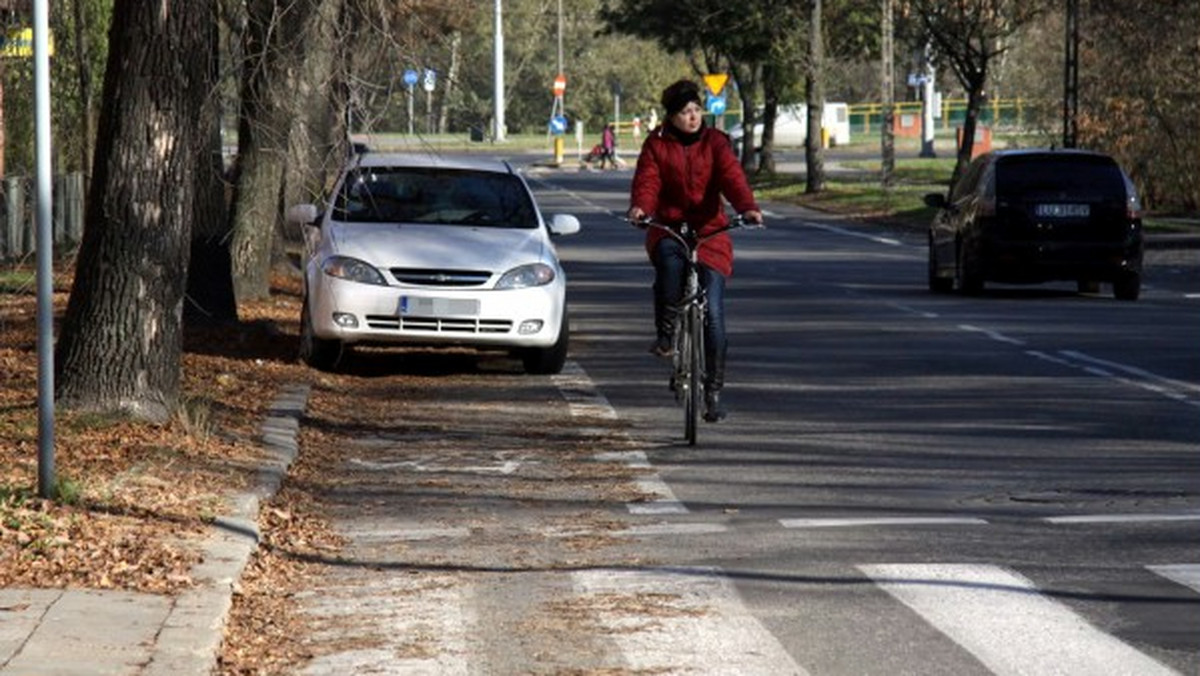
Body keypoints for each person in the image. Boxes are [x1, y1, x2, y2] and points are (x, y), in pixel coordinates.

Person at [626, 79, 764, 423]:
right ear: (671, 116)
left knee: (714, 314)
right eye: (684, 112)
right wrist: (641, 209)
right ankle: (667, 336)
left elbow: (732, 177)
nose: (692, 117)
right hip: (671, 227)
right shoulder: (656, 144)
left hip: (710, 231)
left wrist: (747, 207)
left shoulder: (716, 142)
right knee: (669, 269)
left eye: (696, 110)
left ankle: (713, 393)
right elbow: (648, 181)